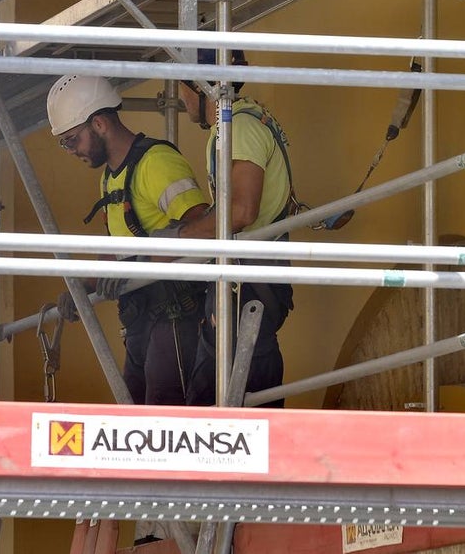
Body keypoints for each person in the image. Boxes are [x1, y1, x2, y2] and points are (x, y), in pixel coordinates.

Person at [46, 73, 210, 406]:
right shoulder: (110, 178)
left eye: (72, 140)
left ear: (100, 124)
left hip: (175, 317)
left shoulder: (156, 163)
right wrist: (83, 288)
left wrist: (136, 265)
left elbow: (202, 227)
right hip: (140, 320)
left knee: (162, 425)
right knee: (133, 419)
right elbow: (117, 256)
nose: (69, 151)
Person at [169, 50, 295, 408]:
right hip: (250, 282)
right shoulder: (242, 123)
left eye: (182, 86)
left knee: (226, 404)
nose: (180, 98)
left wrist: (176, 241)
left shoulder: (238, 127)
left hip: (247, 287)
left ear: (198, 84)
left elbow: (240, 211)